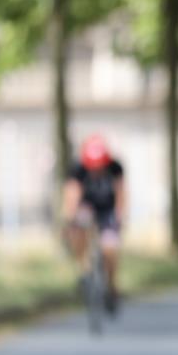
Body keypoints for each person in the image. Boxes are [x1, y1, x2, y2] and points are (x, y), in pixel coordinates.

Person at [61, 134, 126, 314]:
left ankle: (111, 287)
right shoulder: (77, 169)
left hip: (108, 211)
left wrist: (120, 217)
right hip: (87, 209)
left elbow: (121, 195)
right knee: (78, 230)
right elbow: (71, 197)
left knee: (110, 247)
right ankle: (84, 270)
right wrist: (70, 220)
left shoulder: (115, 168)